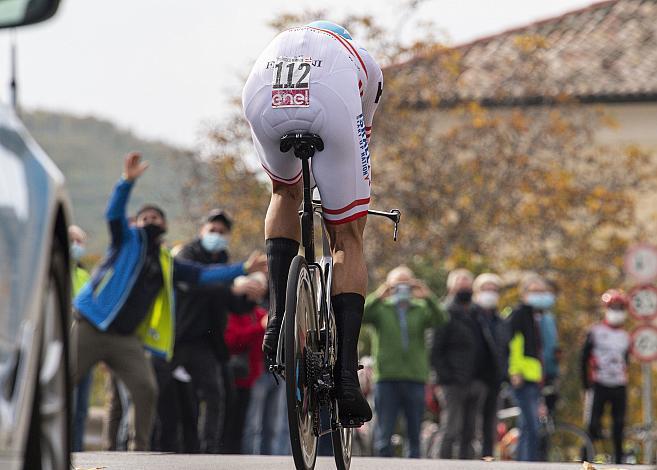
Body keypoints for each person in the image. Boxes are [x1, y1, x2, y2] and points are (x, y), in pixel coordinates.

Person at [72, 152, 267, 450]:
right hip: (92, 326)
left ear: (164, 225)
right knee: (62, 382)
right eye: (145, 217)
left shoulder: (167, 262)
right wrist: (126, 182)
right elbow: (113, 213)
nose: (151, 220)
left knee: (146, 389)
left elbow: (203, 276)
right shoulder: (125, 241)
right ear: (136, 223)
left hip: (126, 338)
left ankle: (139, 453)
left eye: (156, 217)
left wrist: (242, 269)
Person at [242, 20, 384, 424]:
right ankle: (346, 376)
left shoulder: (280, 41)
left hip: (262, 93)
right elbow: (360, 138)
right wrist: (338, 215)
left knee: (283, 192)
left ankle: (276, 318)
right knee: (347, 237)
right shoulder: (363, 60)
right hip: (331, 95)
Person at [152, 208, 259, 453]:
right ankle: (152, 446)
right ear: (202, 230)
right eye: (213, 230)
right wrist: (231, 288)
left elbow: (233, 304)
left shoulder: (223, 259)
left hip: (206, 345)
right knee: (160, 394)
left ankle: (209, 451)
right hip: (177, 339)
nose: (217, 235)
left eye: (222, 232)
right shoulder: (188, 254)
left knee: (215, 397)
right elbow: (194, 284)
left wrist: (251, 296)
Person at [363, 266, 445, 458]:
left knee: (414, 431)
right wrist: (379, 294)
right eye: (397, 284)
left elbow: (441, 320)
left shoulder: (421, 308)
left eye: (406, 284)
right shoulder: (382, 309)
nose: (402, 289)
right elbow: (362, 314)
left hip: (415, 378)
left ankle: (413, 463)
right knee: (384, 430)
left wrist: (428, 297)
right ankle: (383, 463)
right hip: (386, 378)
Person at [431, 268, 487, 459]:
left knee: (470, 432)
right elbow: (434, 349)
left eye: (467, 285)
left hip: (475, 381)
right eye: (460, 285)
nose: (465, 289)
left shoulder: (477, 313)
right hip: (452, 383)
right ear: (451, 287)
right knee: (451, 429)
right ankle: (441, 463)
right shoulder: (444, 312)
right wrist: (445, 377)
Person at [581, 289, 630, 464]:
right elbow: (584, 358)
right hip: (599, 383)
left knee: (618, 425)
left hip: (619, 384)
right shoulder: (595, 331)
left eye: (620, 307)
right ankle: (584, 459)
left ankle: (619, 461)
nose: (616, 311)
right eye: (613, 307)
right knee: (593, 424)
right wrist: (586, 384)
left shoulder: (625, 336)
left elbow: (626, 360)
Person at [223, 273, 269, 454]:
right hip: (235, 378)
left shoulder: (257, 313)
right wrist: (260, 328)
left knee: (243, 423)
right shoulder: (235, 312)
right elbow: (233, 339)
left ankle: (237, 455)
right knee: (238, 423)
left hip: (251, 377)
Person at [507, 273, 550, 462]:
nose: (539, 295)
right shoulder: (519, 314)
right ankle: (527, 463)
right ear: (524, 293)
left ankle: (524, 462)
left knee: (527, 425)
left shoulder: (537, 316)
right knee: (531, 426)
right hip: (522, 377)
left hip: (533, 377)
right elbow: (513, 345)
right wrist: (514, 371)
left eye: (542, 291)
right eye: (535, 291)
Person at [472, 272, 509, 459]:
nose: (490, 293)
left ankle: (486, 460)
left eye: (494, 290)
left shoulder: (501, 321)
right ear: (476, 291)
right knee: (471, 426)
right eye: (486, 289)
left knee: (490, 427)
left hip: (494, 380)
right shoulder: (470, 316)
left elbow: (504, 349)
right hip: (473, 379)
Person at [69, 225, 92, 452]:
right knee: (70, 406)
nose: (75, 246)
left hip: (85, 347)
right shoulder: (53, 274)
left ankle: (77, 454)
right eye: (71, 240)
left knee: (81, 409)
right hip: (63, 350)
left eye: (79, 241)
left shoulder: (85, 275)